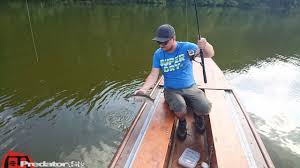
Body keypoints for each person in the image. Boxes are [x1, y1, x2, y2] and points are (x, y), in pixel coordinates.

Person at [136, 24, 214, 140]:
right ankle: (182, 122)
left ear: (173, 38)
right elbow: (153, 75)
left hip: (190, 87)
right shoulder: (158, 54)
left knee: (205, 108)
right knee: (180, 107)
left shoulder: (187, 47)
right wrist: (143, 89)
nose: (161, 45)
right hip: (171, 90)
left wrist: (205, 45)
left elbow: (209, 54)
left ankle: (197, 116)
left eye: (165, 42)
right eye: (159, 42)